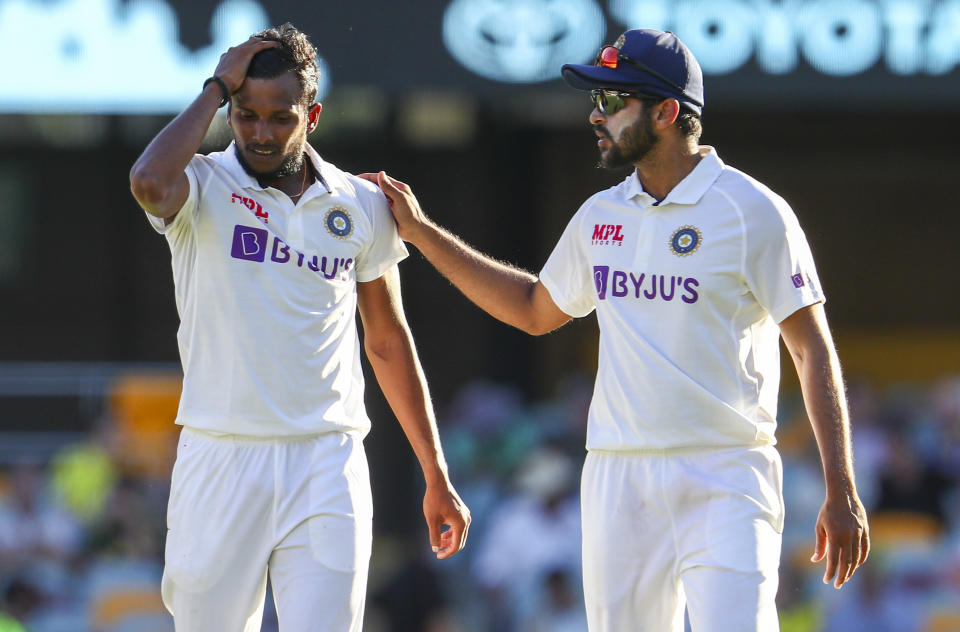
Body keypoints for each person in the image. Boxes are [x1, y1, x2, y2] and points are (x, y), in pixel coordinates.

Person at [362, 28, 869, 632]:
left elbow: (812, 350)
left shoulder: (753, 211)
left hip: (727, 472)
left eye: (610, 102)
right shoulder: (602, 214)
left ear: (667, 112)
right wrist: (420, 233)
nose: (593, 116)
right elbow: (532, 309)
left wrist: (841, 488)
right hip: (618, 476)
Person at [128, 23, 470, 632]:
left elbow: (387, 341)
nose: (260, 134)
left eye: (280, 118)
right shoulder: (201, 183)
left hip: (327, 460)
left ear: (312, 115)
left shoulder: (361, 204)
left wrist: (435, 473)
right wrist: (213, 88)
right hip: (221, 454)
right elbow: (148, 182)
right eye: (244, 115)